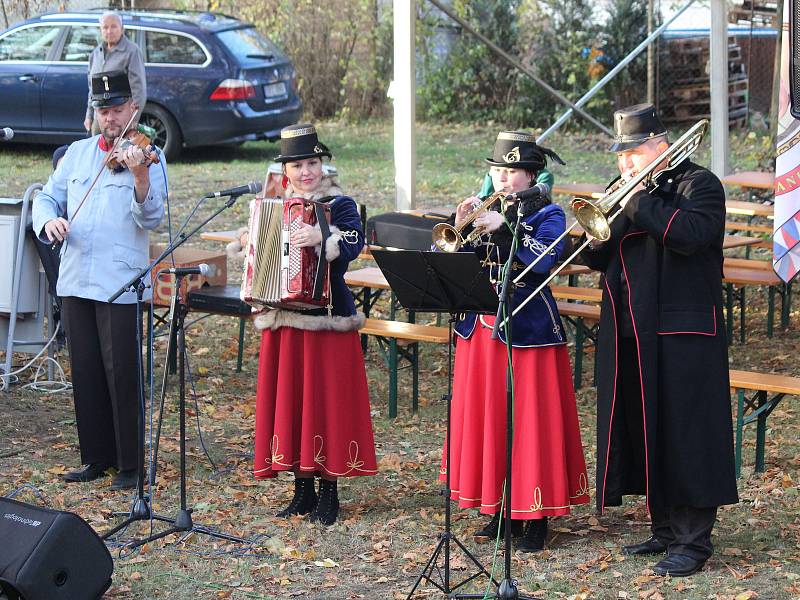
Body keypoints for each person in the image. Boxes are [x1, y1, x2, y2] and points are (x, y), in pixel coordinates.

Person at [579, 103, 738, 576]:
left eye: (632, 154)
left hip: (684, 330)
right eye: (621, 156)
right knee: (646, 426)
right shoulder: (631, 192)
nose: (624, 164)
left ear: (660, 148)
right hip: (632, 324)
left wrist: (636, 202)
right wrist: (598, 223)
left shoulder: (700, 184)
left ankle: (694, 539)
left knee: (687, 430)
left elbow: (691, 234)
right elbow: (596, 255)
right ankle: (666, 529)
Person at [441, 131, 589, 552]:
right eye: (498, 171)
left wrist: (506, 230)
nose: (503, 180)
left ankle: (536, 515)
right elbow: (460, 261)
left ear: (531, 175)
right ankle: (498, 508)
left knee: (528, 420)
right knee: (488, 416)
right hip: (480, 327)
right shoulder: (484, 208)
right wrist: (461, 227)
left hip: (527, 331)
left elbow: (545, 261)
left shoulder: (549, 213)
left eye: (512, 172)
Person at [33, 70, 166, 491]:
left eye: (116, 110)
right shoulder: (76, 153)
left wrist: (140, 178)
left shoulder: (148, 155)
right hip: (75, 278)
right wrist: (49, 218)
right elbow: (46, 196)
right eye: (102, 110)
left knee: (122, 373)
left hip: (119, 280)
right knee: (86, 371)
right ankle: (95, 457)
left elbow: (152, 217)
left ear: (132, 109)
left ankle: (130, 465)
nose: (109, 118)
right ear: (94, 114)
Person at [249, 124, 377, 525]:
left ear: (322, 164)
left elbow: (353, 245)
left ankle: (330, 491)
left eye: (312, 163)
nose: (306, 172)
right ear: (284, 170)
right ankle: (301, 488)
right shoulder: (273, 205)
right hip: (285, 318)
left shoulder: (340, 204)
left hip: (327, 318)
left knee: (325, 402)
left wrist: (322, 236)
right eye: (298, 165)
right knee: (294, 400)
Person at [84, 12, 146, 134]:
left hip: (121, 120)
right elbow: (92, 90)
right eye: (105, 27)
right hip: (100, 118)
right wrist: (89, 115)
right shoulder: (95, 55)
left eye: (113, 26)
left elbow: (138, 90)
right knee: (99, 151)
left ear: (122, 29)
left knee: (119, 153)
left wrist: (132, 119)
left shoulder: (132, 52)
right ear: (100, 30)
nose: (109, 31)